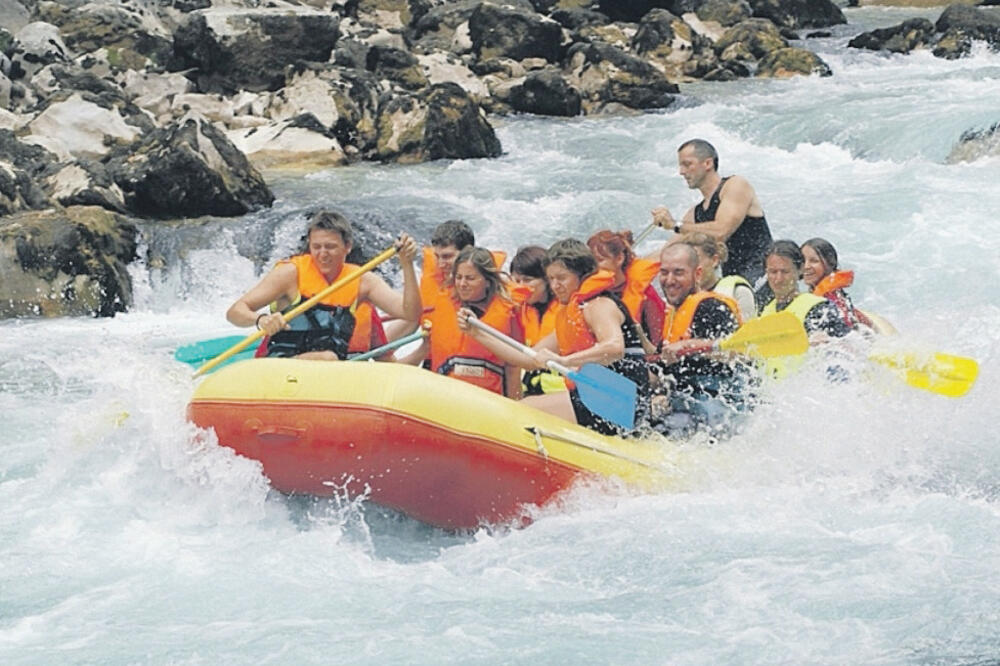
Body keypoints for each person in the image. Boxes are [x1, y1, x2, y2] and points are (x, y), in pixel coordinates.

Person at [461, 239, 648, 436]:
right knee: (524, 405)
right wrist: (477, 333)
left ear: (582, 275)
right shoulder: (573, 316)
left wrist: (564, 360)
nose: (555, 286)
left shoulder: (600, 305)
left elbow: (614, 348)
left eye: (561, 278)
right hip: (598, 397)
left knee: (523, 409)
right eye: (551, 279)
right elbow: (529, 359)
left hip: (620, 403)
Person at [226, 210, 420, 360]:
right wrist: (260, 319)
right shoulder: (290, 274)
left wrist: (407, 265)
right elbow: (235, 312)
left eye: (330, 247)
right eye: (316, 247)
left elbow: (409, 313)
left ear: (348, 247)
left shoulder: (363, 280)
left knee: (330, 358)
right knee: (328, 358)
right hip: (282, 364)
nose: (322, 254)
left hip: (328, 371)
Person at [652, 243, 752, 437]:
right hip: (686, 402)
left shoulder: (711, 306)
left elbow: (737, 352)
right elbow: (661, 371)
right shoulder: (672, 315)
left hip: (720, 405)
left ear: (697, 274)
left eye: (678, 273)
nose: (669, 280)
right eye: (664, 272)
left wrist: (690, 345)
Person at [651, 138, 773, 290]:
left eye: (687, 164)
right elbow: (666, 252)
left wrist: (674, 224)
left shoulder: (735, 185)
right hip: (732, 282)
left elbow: (721, 231)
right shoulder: (695, 213)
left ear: (708, 163)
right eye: (680, 165)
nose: (681, 172)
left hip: (765, 276)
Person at [415, 247, 523, 397]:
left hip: (489, 397)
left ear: (487, 281)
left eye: (470, 278)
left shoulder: (508, 310)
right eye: (458, 277)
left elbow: (514, 365)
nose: (462, 284)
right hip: (444, 393)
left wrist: (515, 403)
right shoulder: (443, 301)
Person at [586, 229, 666, 349]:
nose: (594, 268)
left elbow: (658, 341)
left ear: (619, 259)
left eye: (600, 261)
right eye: (591, 262)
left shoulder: (646, 294)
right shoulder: (588, 294)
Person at [760, 240, 850, 339]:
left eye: (785, 272)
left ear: (800, 270)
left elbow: (847, 345)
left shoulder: (819, 309)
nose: (779, 279)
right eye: (773, 272)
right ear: (766, 273)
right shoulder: (765, 312)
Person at [509, 245, 563, 396]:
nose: (521, 287)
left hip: (560, 394)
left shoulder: (565, 309)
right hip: (527, 389)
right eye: (517, 280)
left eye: (527, 280)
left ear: (547, 280)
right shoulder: (514, 309)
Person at [673, 231, 756, 322]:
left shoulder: (738, 292)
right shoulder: (676, 298)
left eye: (696, 259)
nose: (691, 266)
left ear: (714, 260)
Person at [800, 237, 873, 330]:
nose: (806, 266)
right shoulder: (836, 294)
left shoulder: (827, 299)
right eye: (802, 261)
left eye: (814, 261)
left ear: (830, 264)